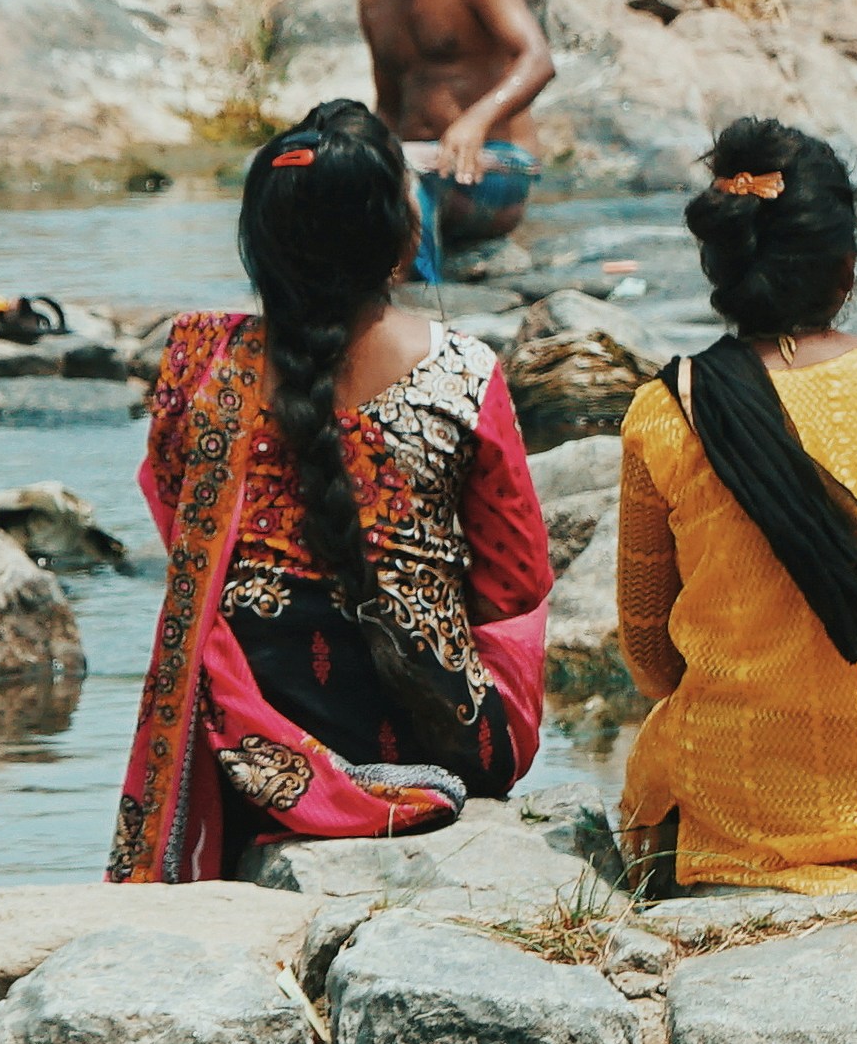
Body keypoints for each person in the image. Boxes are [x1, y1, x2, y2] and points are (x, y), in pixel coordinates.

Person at [113, 99, 555, 881]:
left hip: (249, 745)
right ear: (399, 236)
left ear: (262, 242)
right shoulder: (464, 370)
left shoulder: (197, 362)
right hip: (436, 734)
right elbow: (515, 582)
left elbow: (177, 511)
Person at [611, 120, 857, 894]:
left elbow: (652, 663)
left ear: (717, 263)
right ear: (848, 267)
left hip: (741, 812)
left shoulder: (666, 413)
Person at [336, 0, 555, 276]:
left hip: (495, 164)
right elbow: (388, 108)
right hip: (417, 167)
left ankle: (424, 301)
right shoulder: (373, 4)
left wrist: (476, 121)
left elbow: (538, 60)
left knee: (404, 171)